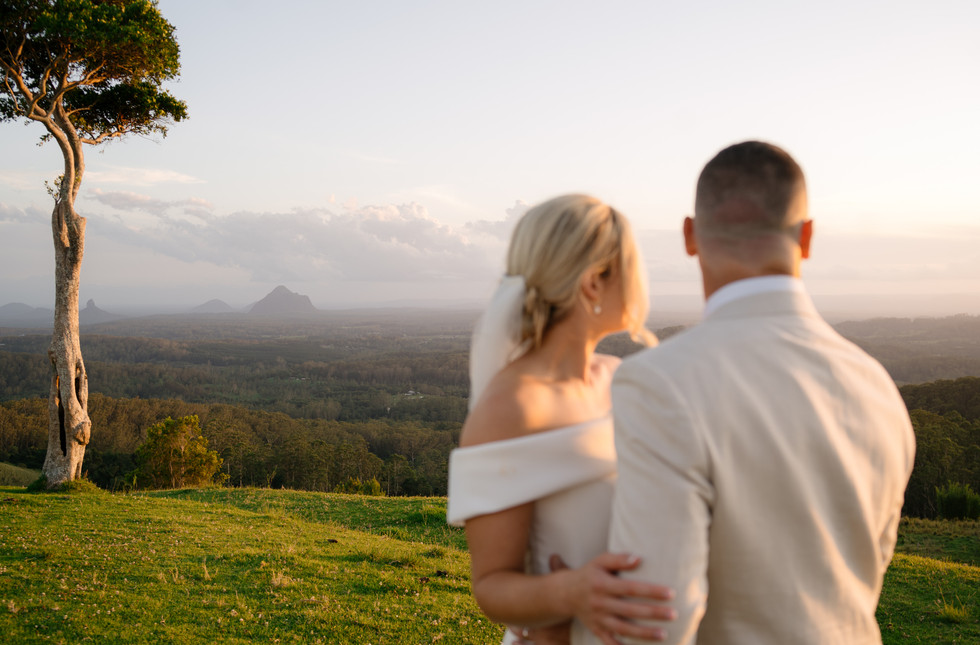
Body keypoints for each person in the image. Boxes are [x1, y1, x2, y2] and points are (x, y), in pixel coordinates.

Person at [600, 141, 916, 644]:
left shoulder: (660, 382)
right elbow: (866, 570)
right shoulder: (877, 386)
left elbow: (655, 615)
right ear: (807, 236)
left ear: (689, 235)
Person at [447, 194, 676, 645]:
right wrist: (569, 592)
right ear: (593, 283)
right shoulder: (512, 408)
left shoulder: (620, 378)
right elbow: (491, 584)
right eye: (632, 263)